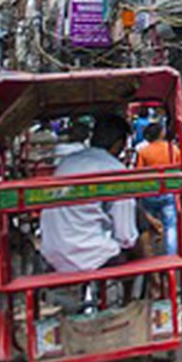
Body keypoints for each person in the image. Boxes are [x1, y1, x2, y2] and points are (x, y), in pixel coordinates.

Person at [40, 114, 140, 272]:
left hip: (52, 252)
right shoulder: (115, 170)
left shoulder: (68, 161)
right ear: (119, 144)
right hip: (90, 258)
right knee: (136, 245)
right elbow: (126, 237)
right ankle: (136, 293)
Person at [135, 121, 181, 256]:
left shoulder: (144, 151)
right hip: (168, 191)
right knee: (171, 227)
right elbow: (178, 169)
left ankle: (149, 259)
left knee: (147, 227)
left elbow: (139, 172)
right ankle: (171, 258)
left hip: (149, 193)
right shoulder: (174, 149)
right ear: (162, 133)